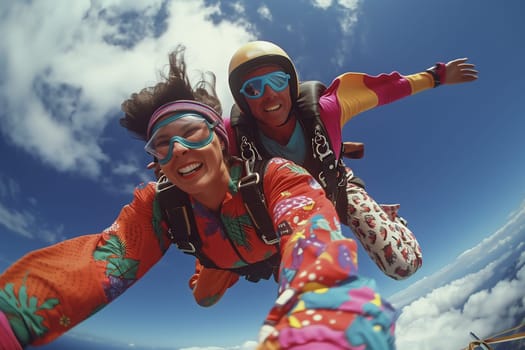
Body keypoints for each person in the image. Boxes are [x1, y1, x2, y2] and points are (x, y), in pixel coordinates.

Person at [0, 47, 396, 349]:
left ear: (220, 139)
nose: (179, 150)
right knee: (203, 298)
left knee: (392, 262)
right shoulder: (159, 206)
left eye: (191, 133)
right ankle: (229, 270)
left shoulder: (275, 176)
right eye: (161, 146)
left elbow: (311, 229)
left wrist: (323, 319)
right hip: (220, 260)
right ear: (156, 163)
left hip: (274, 240)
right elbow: (99, 264)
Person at [225, 40, 479, 280]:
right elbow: (191, 133)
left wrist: (436, 76)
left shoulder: (326, 110)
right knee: (309, 290)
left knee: (403, 265)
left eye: (278, 81)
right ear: (242, 100)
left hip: (339, 189)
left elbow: (385, 90)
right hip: (291, 211)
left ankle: (391, 220)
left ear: (292, 85)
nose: (269, 94)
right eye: (253, 88)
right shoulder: (233, 135)